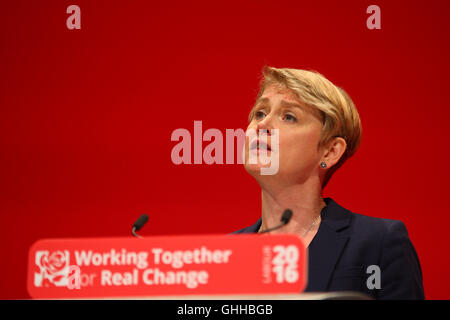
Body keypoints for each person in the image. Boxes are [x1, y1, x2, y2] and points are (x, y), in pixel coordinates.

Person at [233, 66, 424, 299]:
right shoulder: (227, 254)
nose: (261, 126)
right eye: (260, 113)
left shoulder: (378, 243)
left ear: (330, 151)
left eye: (289, 116)